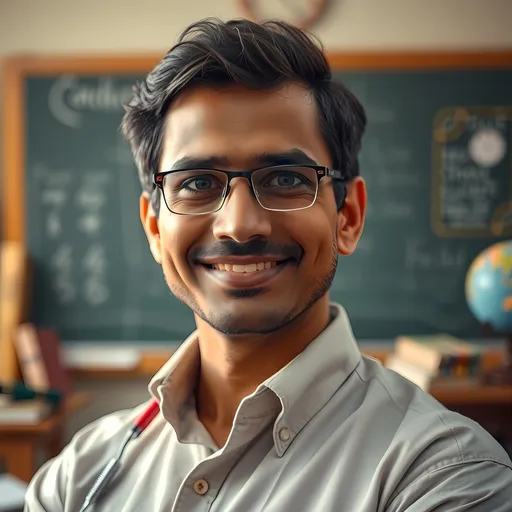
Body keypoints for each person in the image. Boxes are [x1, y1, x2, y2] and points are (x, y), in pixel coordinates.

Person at [25, 17, 512, 512]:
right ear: (154, 227)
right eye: (197, 183)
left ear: (348, 215)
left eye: (284, 178)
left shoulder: (444, 477)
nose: (238, 225)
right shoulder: (77, 479)